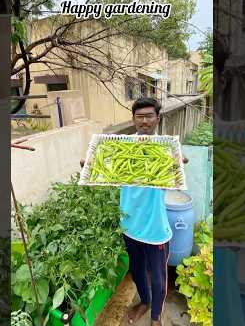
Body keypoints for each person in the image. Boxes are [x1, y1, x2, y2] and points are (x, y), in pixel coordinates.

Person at [80, 97, 188, 326]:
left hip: (155, 228)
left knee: (159, 279)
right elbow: (101, 166)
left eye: (149, 116)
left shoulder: (165, 148)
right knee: (137, 271)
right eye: (140, 116)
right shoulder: (123, 145)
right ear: (133, 119)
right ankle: (144, 302)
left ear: (157, 118)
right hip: (129, 225)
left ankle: (157, 315)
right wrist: (88, 164)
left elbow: (177, 164)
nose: (144, 121)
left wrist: (179, 162)